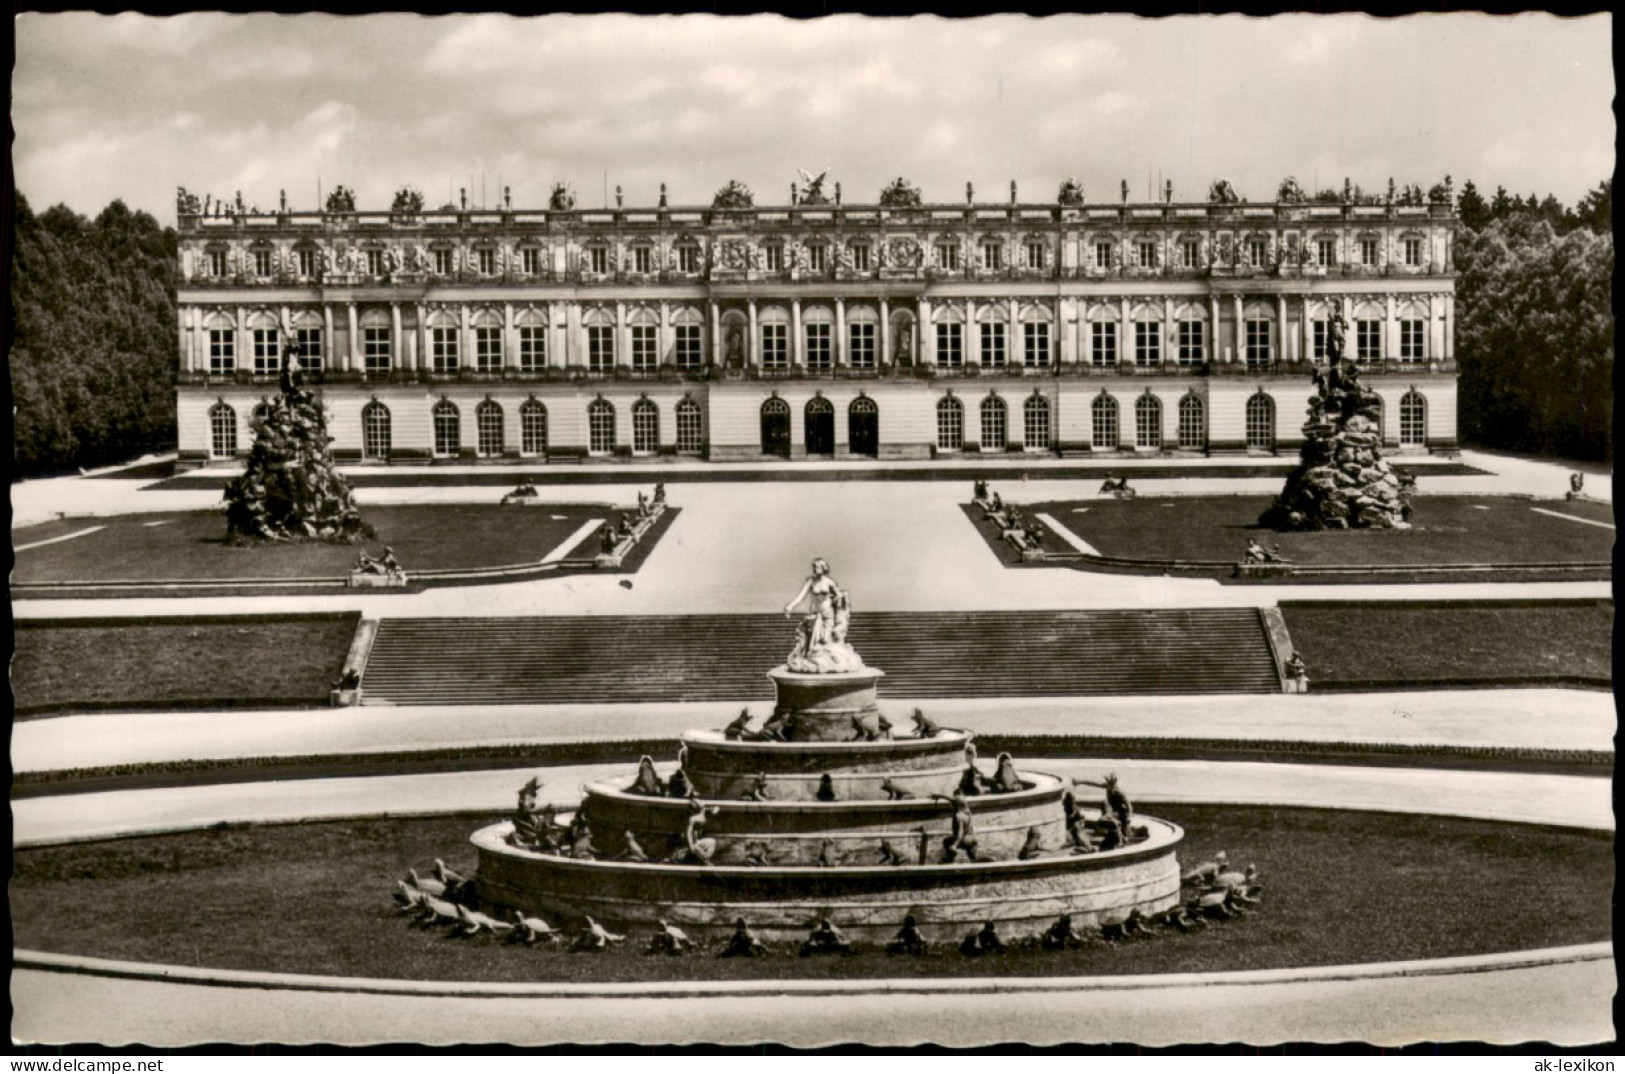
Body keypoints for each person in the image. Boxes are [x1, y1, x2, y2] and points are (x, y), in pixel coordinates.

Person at [783, 558, 851, 666]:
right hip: (815, 613)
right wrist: (791, 606)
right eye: (814, 567)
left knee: (826, 640)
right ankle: (814, 662)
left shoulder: (829, 582)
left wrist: (841, 598)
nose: (815, 569)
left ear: (824, 568)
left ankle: (833, 661)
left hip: (827, 613)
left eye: (818, 567)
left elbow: (838, 595)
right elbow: (801, 596)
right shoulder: (810, 581)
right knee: (813, 642)